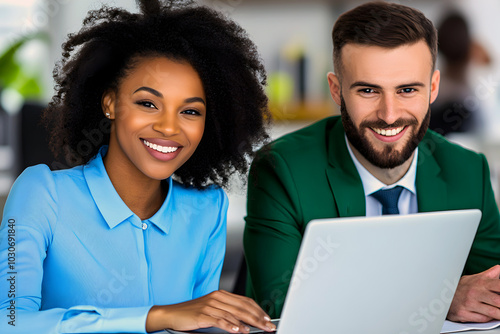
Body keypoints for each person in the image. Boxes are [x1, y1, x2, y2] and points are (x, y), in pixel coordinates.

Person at [0, 0, 277, 333]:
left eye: (190, 111)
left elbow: (203, 323)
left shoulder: (208, 208)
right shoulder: (41, 193)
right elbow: (9, 321)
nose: (169, 128)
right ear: (110, 103)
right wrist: (154, 317)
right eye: (148, 103)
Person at [244, 1, 500, 323]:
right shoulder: (281, 169)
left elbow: (491, 290)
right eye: (368, 90)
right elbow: (280, 305)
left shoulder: (468, 171)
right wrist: (440, 296)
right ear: (337, 91)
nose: (389, 114)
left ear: (433, 87)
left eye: (407, 90)